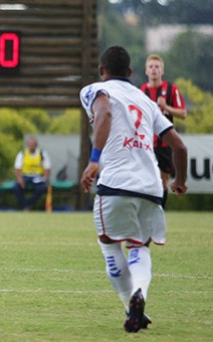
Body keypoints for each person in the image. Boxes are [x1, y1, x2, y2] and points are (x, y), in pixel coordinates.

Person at [79, 45, 188, 333]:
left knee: (109, 245)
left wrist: (93, 161)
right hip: (151, 186)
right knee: (139, 246)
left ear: (102, 71)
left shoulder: (94, 89)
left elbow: (104, 114)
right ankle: (140, 294)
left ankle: (131, 305)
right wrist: (180, 180)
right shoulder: (146, 100)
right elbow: (179, 145)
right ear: (130, 72)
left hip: (115, 183)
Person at [139, 54, 187, 208]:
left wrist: (166, 107)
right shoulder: (141, 91)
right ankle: (146, 210)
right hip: (146, 142)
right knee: (144, 179)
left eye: (157, 67)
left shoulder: (171, 89)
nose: (154, 70)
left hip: (165, 144)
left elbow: (183, 113)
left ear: (162, 71)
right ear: (146, 71)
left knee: (163, 180)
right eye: (151, 67)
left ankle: (159, 210)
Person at [12, 137, 51, 211]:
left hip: (38, 177)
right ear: (27, 145)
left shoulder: (42, 154)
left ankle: (29, 204)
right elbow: (17, 168)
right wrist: (20, 179)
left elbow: (47, 168)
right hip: (25, 176)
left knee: (42, 188)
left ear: (36, 146)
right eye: (30, 145)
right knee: (16, 187)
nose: (32, 147)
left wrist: (45, 178)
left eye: (33, 145)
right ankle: (25, 206)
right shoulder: (22, 154)